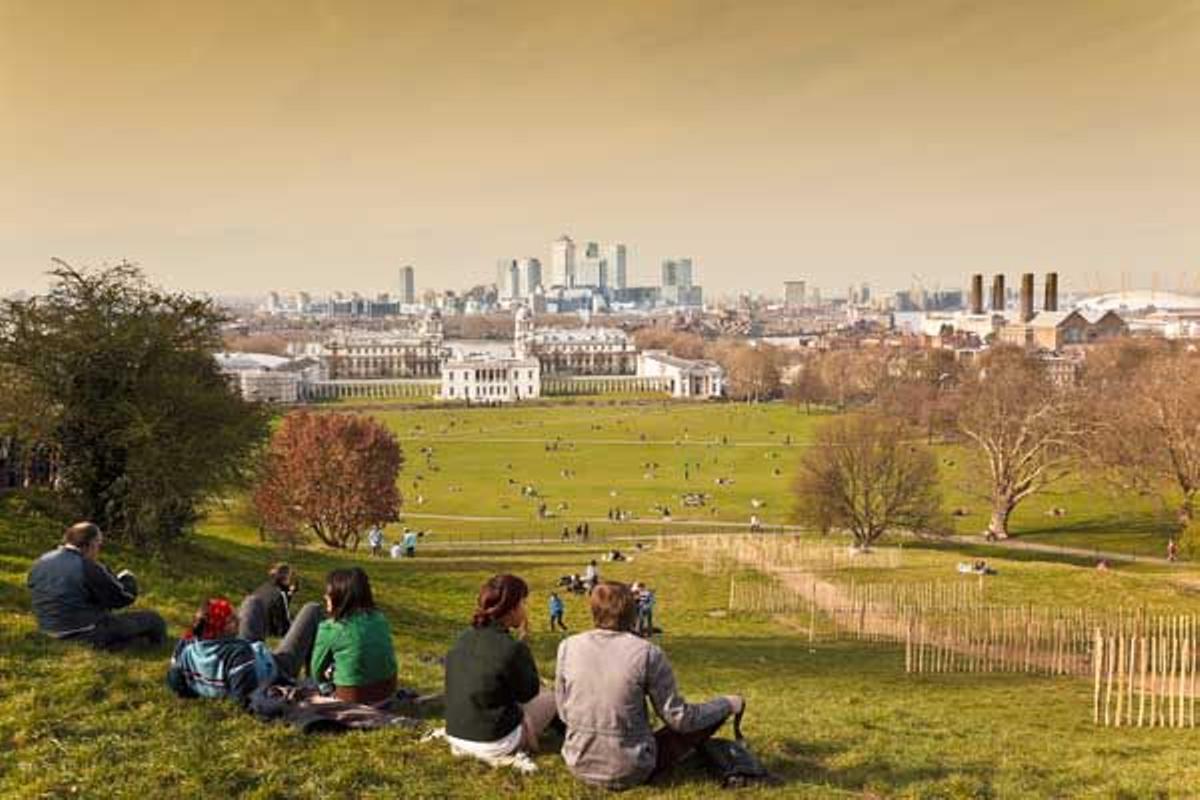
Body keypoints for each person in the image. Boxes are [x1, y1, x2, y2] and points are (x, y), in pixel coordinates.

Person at [555, 582, 742, 790]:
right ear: (632, 612)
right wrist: (727, 704)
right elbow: (680, 719)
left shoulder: (567, 647)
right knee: (682, 728)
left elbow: (563, 712)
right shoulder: (647, 653)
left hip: (578, 762)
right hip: (631, 768)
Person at [443, 574, 559, 765]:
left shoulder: (463, 637)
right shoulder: (512, 648)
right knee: (553, 697)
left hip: (456, 734)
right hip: (492, 742)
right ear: (511, 609)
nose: (525, 609)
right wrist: (523, 646)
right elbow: (528, 693)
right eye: (523, 603)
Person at [27, 521, 166, 650]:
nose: (98, 549)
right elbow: (123, 598)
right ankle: (145, 646)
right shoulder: (87, 566)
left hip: (47, 629)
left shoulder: (41, 561)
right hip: (83, 631)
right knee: (153, 619)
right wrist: (128, 579)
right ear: (92, 543)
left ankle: (122, 643)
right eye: (99, 544)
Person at [167, 595, 322, 705]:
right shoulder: (237, 655)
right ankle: (317, 678)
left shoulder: (186, 645)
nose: (238, 619)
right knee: (312, 609)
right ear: (220, 629)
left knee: (252, 601)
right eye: (231, 620)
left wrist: (194, 691)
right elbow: (243, 697)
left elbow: (175, 681)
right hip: (277, 668)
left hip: (245, 653)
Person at [310, 568, 399, 704]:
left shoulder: (330, 627)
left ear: (340, 596)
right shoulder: (380, 618)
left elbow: (317, 672)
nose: (325, 596)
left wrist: (324, 684)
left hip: (352, 697)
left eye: (328, 593)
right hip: (388, 692)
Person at [238, 562, 297, 643]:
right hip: (268, 631)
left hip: (250, 627)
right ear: (285, 578)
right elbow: (283, 623)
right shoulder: (280, 595)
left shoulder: (262, 588)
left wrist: (288, 594)